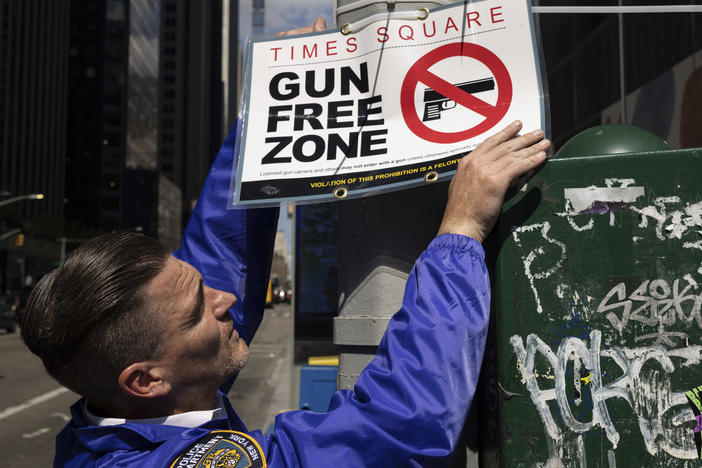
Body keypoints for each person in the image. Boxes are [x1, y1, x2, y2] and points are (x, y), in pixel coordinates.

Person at [20, 27, 551, 468]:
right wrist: (459, 231)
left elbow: (217, 257)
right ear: (146, 379)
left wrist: (273, 104)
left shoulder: (127, 419)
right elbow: (399, 425)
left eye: (199, 287)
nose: (224, 299)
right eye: (196, 312)